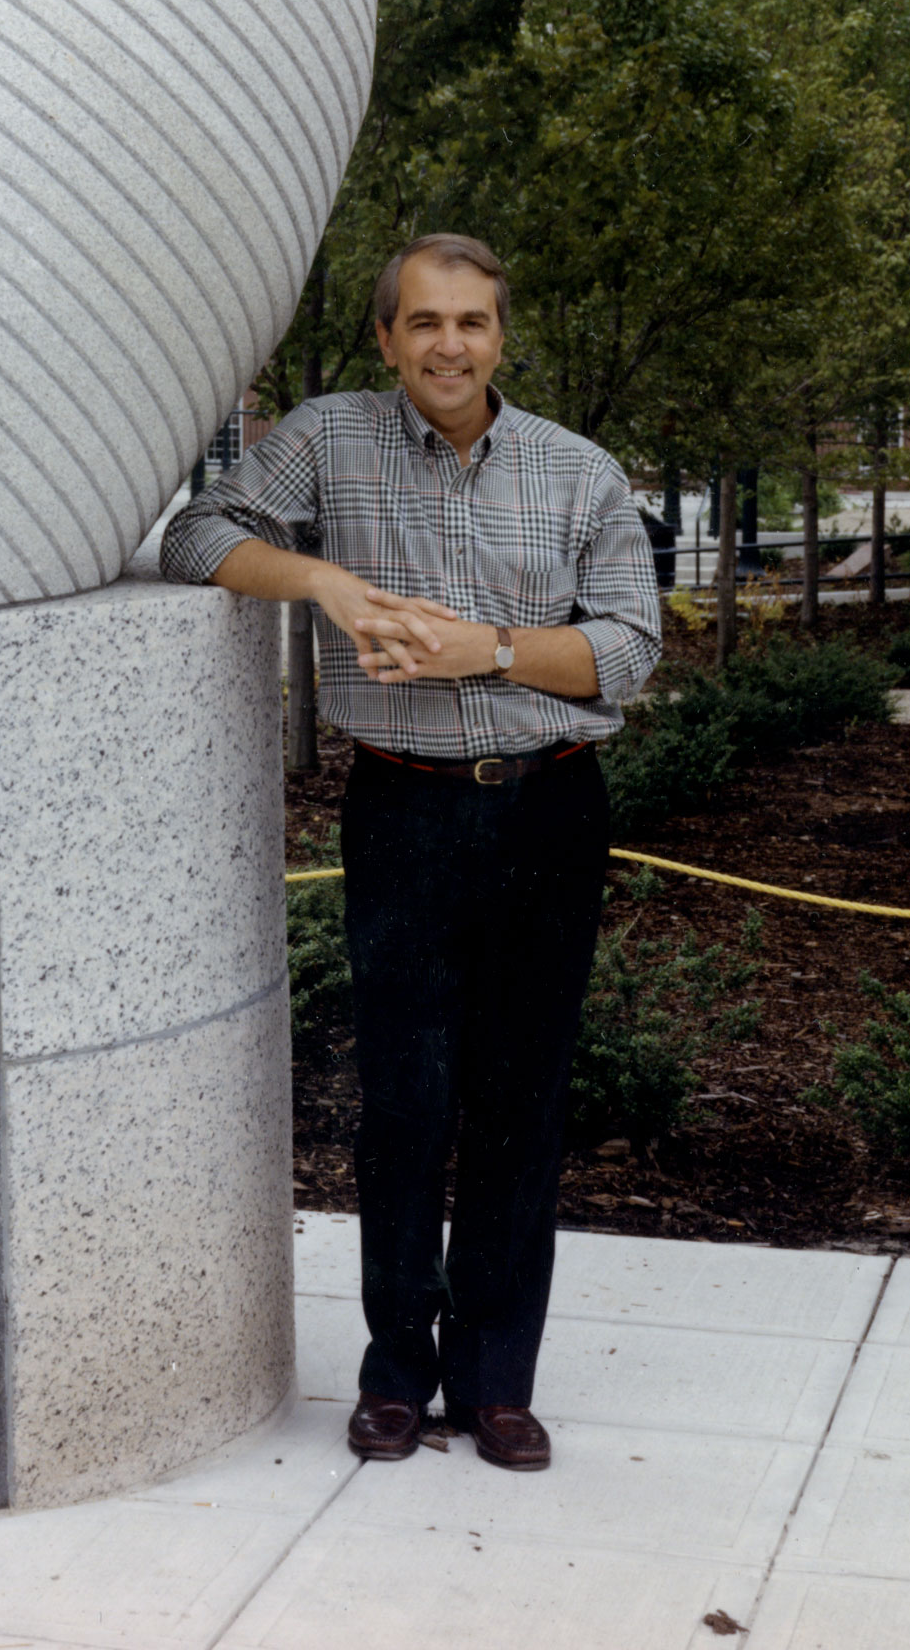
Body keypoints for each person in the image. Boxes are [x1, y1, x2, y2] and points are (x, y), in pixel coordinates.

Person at [159, 234, 660, 1473]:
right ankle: (394, 1373)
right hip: (400, 809)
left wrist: (483, 650)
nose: (448, 344)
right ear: (385, 336)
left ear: (502, 333)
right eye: (423, 322)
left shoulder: (574, 470)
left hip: (548, 808)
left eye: (472, 322)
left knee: (515, 1102)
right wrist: (320, 578)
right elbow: (194, 535)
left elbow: (630, 649)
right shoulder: (328, 439)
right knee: (402, 1100)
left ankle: (497, 1380)